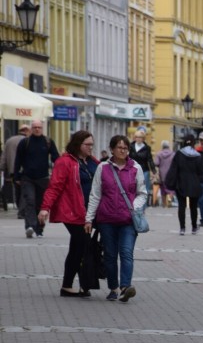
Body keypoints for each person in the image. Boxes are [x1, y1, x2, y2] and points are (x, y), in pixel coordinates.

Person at [84, 135, 147, 302]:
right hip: (107, 220)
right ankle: (114, 287)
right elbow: (95, 194)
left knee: (126, 252)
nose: (123, 150)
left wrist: (135, 206)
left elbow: (142, 193)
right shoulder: (103, 168)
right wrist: (89, 218)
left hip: (128, 220)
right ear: (112, 149)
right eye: (119, 147)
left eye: (125, 148)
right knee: (110, 255)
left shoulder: (135, 168)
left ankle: (126, 286)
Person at [37, 131, 98, 298]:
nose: (91, 148)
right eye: (87, 144)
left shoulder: (93, 162)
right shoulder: (65, 162)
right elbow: (54, 186)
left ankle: (69, 285)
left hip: (88, 212)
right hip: (71, 211)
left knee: (77, 247)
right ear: (78, 144)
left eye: (92, 144)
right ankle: (81, 284)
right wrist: (45, 208)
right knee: (81, 244)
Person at [13, 120, 60, 238]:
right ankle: (30, 227)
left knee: (41, 205)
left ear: (42, 128)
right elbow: (18, 160)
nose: (37, 129)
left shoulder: (48, 142)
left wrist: (59, 171)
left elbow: (56, 159)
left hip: (43, 178)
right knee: (30, 201)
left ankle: (39, 229)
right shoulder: (25, 142)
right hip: (27, 178)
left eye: (39, 127)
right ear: (31, 129)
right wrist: (16, 176)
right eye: (35, 127)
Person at [167, 134, 203, 235]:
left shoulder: (179, 154)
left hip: (181, 182)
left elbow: (173, 169)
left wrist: (171, 182)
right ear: (193, 143)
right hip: (194, 183)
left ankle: (182, 228)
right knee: (193, 206)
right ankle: (194, 227)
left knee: (181, 206)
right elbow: (202, 171)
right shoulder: (198, 155)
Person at [1, 124, 30, 213]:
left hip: (12, 170)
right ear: (26, 131)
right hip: (25, 169)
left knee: (17, 189)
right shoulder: (27, 141)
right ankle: (22, 209)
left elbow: (4, 157)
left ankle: (19, 206)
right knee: (25, 190)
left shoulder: (9, 140)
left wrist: (2, 167)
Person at [128, 129, 156, 205]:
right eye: (137, 137)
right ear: (135, 138)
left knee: (144, 189)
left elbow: (150, 159)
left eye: (140, 137)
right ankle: (133, 204)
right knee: (132, 187)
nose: (138, 139)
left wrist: (153, 171)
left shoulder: (147, 148)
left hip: (144, 170)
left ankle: (142, 207)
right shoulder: (131, 146)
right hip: (132, 169)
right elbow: (127, 158)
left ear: (143, 138)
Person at [154, 140, 176, 207]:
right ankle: (170, 199)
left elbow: (156, 163)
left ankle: (164, 204)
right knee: (171, 189)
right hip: (171, 174)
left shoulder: (159, 154)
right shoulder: (173, 153)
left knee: (163, 189)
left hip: (162, 174)